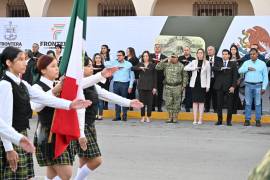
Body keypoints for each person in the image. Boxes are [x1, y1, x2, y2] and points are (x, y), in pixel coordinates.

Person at [0, 46, 90, 180]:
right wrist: (9, 148)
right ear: (8, 63)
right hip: (9, 138)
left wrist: (70, 105)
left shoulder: (22, 83)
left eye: (25, 59)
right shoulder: (5, 85)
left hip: (20, 135)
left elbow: (44, 98)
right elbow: (4, 121)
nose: (25, 63)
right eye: (20, 59)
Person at [31, 55, 119, 180]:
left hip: (62, 131)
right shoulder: (37, 87)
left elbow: (80, 83)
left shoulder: (59, 83)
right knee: (65, 173)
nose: (57, 69)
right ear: (43, 70)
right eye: (53, 66)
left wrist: (101, 75)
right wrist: (54, 90)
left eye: (57, 66)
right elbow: (35, 106)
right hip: (48, 134)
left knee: (52, 172)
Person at [74, 58, 143, 180]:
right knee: (96, 160)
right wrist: (101, 74)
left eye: (91, 65)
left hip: (89, 124)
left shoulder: (92, 85)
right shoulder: (77, 84)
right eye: (88, 66)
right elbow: (82, 83)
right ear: (80, 68)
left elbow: (108, 95)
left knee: (84, 158)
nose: (92, 67)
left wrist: (129, 102)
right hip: (81, 126)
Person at [238, 48, 268, 127]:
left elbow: (265, 77)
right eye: (251, 54)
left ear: (257, 54)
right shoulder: (246, 63)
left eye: (254, 54)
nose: (252, 55)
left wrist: (264, 87)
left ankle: (258, 120)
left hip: (258, 85)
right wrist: (247, 69)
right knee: (248, 103)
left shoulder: (262, 63)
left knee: (258, 104)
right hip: (248, 85)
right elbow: (240, 71)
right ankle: (247, 120)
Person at [156, 53, 188, 123]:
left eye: (175, 57)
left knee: (177, 102)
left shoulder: (181, 65)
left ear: (177, 58)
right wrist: (165, 59)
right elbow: (157, 67)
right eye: (172, 57)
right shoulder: (167, 64)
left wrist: (184, 85)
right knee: (168, 102)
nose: (173, 58)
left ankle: (175, 117)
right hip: (168, 86)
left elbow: (185, 76)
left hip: (177, 86)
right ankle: (170, 117)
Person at [105, 50, 135, 121]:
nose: (118, 56)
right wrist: (113, 60)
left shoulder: (128, 64)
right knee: (116, 100)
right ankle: (117, 116)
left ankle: (124, 116)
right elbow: (105, 64)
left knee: (124, 100)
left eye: (120, 55)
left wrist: (130, 86)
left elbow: (132, 76)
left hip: (125, 84)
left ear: (124, 56)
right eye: (117, 55)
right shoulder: (114, 63)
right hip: (116, 83)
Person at [184, 48, 211, 125]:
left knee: (201, 102)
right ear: (196, 54)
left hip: (203, 85)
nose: (200, 54)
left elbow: (208, 76)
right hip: (194, 84)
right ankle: (195, 119)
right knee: (195, 102)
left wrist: (208, 86)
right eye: (198, 53)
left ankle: (200, 119)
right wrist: (194, 68)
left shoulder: (207, 63)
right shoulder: (193, 62)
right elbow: (185, 68)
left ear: (203, 54)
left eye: (201, 53)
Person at [213, 49, 238, 126]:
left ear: (229, 55)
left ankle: (228, 121)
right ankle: (219, 120)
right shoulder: (218, 62)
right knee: (219, 104)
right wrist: (221, 68)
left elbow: (235, 77)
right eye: (223, 54)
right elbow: (213, 68)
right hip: (219, 86)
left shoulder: (233, 64)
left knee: (229, 104)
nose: (224, 55)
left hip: (229, 87)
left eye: (226, 54)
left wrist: (233, 86)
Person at [132, 51, 157, 123]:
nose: (145, 57)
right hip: (141, 86)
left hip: (150, 86)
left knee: (150, 103)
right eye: (144, 56)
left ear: (149, 57)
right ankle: (142, 116)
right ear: (142, 57)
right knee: (141, 103)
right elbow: (132, 68)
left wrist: (155, 87)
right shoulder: (140, 64)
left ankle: (148, 117)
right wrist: (140, 68)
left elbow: (155, 77)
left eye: (146, 56)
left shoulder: (153, 65)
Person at [151, 44, 167, 112]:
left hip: (161, 78)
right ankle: (152, 107)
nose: (157, 48)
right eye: (156, 47)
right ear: (154, 48)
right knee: (152, 93)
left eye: (158, 47)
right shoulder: (150, 56)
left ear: (161, 49)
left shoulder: (164, 57)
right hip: (151, 78)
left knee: (160, 93)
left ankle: (159, 107)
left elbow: (165, 68)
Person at [205, 46, 222, 112]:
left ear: (214, 51)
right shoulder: (205, 58)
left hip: (216, 79)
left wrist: (213, 66)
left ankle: (215, 109)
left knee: (215, 95)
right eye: (208, 50)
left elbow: (220, 68)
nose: (209, 51)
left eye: (211, 50)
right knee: (207, 95)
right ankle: (207, 108)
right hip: (207, 79)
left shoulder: (219, 59)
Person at [179, 47, 196, 112]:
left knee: (188, 93)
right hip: (180, 77)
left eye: (187, 50)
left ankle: (187, 107)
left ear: (190, 51)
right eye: (185, 50)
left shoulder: (193, 59)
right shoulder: (180, 58)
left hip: (189, 77)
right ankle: (178, 106)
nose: (186, 51)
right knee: (179, 93)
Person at [230, 44, 243, 113]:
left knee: (235, 95)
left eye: (234, 49)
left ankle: (234, 111)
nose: (233, 51)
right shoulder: (228, 58)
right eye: (231, 49)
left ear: (236, 50)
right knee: (229, 96)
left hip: (237, 80)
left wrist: (239, 79)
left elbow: (242, 71)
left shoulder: (240, 59)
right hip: (229, 79)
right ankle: (230, 110)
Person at [92, 53, 106, 120]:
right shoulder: (91, 66)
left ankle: (100, 115)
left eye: (99, 58)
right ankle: (94, 115)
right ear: (94, 59)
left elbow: (104, 76)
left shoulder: (103, 67)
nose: (97, 59)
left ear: (101, 59)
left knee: (100, 101)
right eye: (96, 57)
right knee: (94, 101)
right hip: (93, 85)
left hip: (101, 85)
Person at [100, 44, 111, 110]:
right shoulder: (99, 56)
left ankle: (106, 105)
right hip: (100, 76)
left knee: (106, 91)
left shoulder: (110, 56)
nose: (103, 49)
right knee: (100, 90)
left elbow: (111, 65)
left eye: (104, 48)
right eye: (102, 48)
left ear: (107, 49)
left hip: (107, 76)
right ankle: (100, 105)